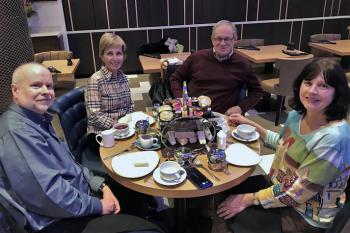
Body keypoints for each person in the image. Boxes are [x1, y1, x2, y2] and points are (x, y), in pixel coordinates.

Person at [0, 63, 162, 233]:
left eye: (49, 86)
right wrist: (98, 206)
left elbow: (71, 164)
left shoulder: (38, 120)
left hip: (80, 198)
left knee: (135, 192)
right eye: (36, 85)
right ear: (15, 90)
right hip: (59, 221)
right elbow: (50, 196)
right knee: (148, 229)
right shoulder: (17, 132)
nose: (45, 91)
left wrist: (101, 185)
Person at [217, 58, 350, 233]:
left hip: (303, 215)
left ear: (337, 93)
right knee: (225, 189)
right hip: (280, 187)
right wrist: (249, 124)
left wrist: (248, 199)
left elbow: (296, 194)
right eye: (308, 82)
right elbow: (282, 144)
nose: (312, 91)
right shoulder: (297, 115)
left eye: (323, 86)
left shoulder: (333, 139)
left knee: (227, 218)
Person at [170, 20, 263, 115]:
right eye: (219, 38)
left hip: (223, 118)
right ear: (212, 40)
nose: (222, 43)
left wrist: (241, 108)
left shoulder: (243, 64)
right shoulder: (196, 57)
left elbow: (257, 91)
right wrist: (181, 99)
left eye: (227, 39)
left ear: (234, 40)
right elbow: (175, 78)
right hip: (192, 114)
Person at [85, 32, 134, 155]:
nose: (115, 58)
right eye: (109, 53)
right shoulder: (95, 80)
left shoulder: (123, 77)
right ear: (101, 56)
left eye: (119, 53)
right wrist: (117, 125)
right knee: (126, 154)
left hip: (122, 131)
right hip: (101, 134)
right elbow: (94, 115)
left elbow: (129, 106)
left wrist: (127, 124)